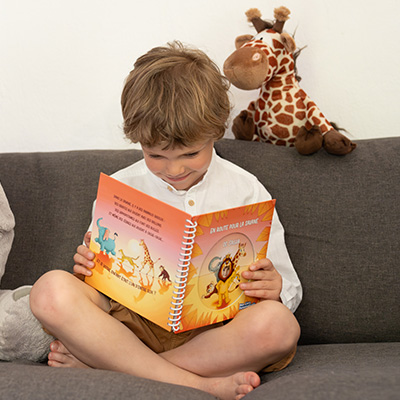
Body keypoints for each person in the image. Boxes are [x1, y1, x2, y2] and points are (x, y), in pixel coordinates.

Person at [30, 41, 302, 400]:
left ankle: (117, 367)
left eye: (191, 153)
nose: (174, 169)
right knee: (50, 290)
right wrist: (90, 269)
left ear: (217, 131)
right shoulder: (121, 188)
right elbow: (100, 287)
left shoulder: (247, 190)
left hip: (215, 332)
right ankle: (197, 384)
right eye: (155, 155)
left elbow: (290, 288)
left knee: (279, 325)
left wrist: (274, 287)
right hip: (132, 324)